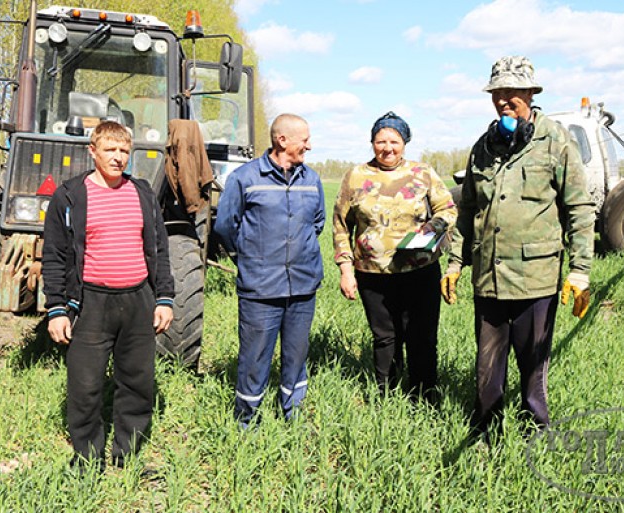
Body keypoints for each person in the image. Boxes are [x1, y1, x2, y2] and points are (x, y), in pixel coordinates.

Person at [441, 56, 594, 439]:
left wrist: (579, 270)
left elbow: (579, 207)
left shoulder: (555, 140)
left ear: (530, 92)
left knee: (533, 362)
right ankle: (487, 430)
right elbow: (467, 211)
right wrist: (454, 262)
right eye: (498, 92)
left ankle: (535, 433)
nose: (504, 99)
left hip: (536, 278)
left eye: (513, 92)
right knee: (487, 363)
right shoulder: (483, 147)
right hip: (489, 278)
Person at [42, 121, 174, 471]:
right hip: (90, 304)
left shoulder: (143, 193)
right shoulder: (70, 196)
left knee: (137, 381)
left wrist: (164, 299)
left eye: (124, 151)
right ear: (93, 151)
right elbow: (54, 255)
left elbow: (159, 248)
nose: (118, 158)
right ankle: (87, 459)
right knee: (85, 385)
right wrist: (56, 308)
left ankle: (126, 454)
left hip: (138, 301)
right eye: (110, 150)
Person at [333, 111, 457, 403]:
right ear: (372, 142)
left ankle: (425, 398)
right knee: (384, 337)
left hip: (420, 271)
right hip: (372, 274)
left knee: (422, 337)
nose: (387, 147)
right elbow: (341, 225)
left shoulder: (422, 173)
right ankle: (385, 398)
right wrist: (345, 269)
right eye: (380, 141)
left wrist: (427, 234)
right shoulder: (356, 176)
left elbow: (447, 209)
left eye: (394, 141)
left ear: (405, 143)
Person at [213, 113, 325, 426]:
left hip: (303, 286)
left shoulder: (312, 180)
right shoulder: (245, 178)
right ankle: (247, 421)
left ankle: (294, 415)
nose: (309, 146)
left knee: (296, 354)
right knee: (255, 358)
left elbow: (317, 223)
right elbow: (225, 226)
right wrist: (249, 258)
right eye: (304, 140)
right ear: (282, 140)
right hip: (260, 288)